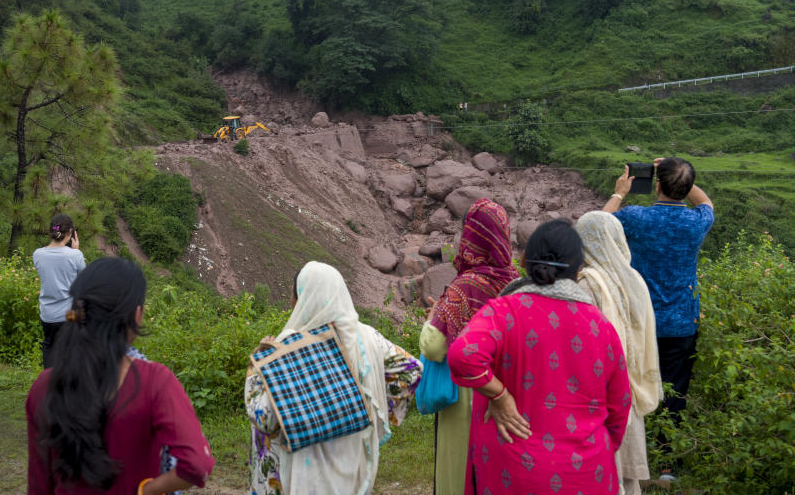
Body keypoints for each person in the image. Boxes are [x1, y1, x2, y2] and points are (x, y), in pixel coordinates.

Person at [448, 219, 631, 494]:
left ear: (525, 261)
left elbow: (464, 355)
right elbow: (620, 407)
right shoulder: (601, 326)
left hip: (513, 471)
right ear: (579, 268)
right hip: (587, 471)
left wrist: (500, 396)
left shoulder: (503, 312)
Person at [26, 257, 214, 494]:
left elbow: (39, 484)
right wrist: (145, 490)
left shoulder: (44, 386)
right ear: (137, 314)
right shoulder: (154, 381)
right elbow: (198, 465)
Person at [245, 261, 422, 495]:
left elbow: (265, 419)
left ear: (301, 299)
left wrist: (257, 369)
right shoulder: (368, 337)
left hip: (303, 476)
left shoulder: (289, 346)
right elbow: (412, 370)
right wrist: (374, 408)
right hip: (355, 468)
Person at [603, 156, 714, 465]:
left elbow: (597, 224)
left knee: (634, 386)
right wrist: (681, 176)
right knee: (674, 391)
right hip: (681, 323)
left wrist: (619, 193)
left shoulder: (637, 217)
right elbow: (705, 201)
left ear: (657, 185)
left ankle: (630, 456)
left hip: (639, 320)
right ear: (688, 187)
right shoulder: (697, 221)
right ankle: (666, 464)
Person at [420, 198, 518, 495]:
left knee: (459, 471)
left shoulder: (464, 286)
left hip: (467, 395)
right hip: (507, 389)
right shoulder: (514, 283)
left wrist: (432, 318)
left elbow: (434, 348)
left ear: (470, 238)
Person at [576, 211, 663, 495]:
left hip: (602, 394)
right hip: (632, 388)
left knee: (606, 471)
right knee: (627, 479)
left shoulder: (586, 284)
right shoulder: (634, 278)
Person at [34, 214, 86, 368]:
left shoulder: (37, 254)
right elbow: (83, 282)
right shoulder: (75, 255)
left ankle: (48, 382)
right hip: (69, 314)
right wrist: (75, 251)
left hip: (47, 313)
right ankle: (68, 385)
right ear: (70, 233)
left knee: (49, 345)